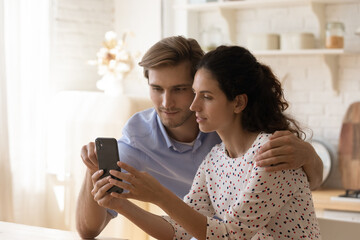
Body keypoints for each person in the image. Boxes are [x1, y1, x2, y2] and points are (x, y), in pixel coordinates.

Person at [75, 36, 323, 239]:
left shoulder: (268, 153)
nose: (192, 106)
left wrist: (159, 195)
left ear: (238, 102)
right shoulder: (215, 158)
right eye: (157, 88)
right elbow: (181, 228)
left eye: (203, 95)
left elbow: (230, 236)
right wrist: (120, 204)